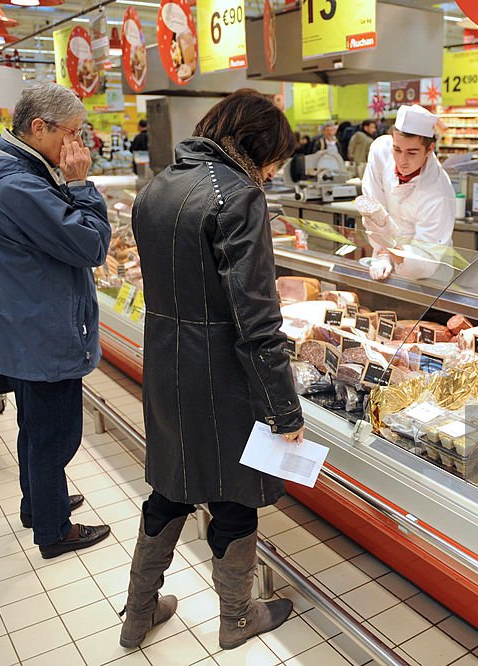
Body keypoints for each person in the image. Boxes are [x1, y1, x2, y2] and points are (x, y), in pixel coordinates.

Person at [120, 89, 304, 650]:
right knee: (232, 494)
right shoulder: (239, 196)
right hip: (222, 376)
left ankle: (137, 613)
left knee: (170, 487)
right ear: (255, 146)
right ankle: (237, 618)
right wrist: (283, 408)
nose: (271, 172)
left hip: (166, 366)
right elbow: (257, 317)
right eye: (273, 158)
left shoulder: (157, 187)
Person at [0, 82, 112, 560]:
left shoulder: (5, 169)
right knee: (55, 433)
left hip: (19, 322)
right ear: (38, 128)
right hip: (41, 329)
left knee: (35, 424)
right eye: (72, 133)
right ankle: (54, 531)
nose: (77, 145)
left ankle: (38, 502)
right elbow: (91, 246)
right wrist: (81, 186)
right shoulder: (19, 185)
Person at [358, 104, 456, 281]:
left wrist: (389, 246)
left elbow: (424, 259)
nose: (402, 161)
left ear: (429, 149)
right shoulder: (380, 151)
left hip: (427, 274)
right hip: (384, 257)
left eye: (412, 153)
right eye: (397, 149)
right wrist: (383, 254)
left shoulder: (438, 192)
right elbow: (374, 205)